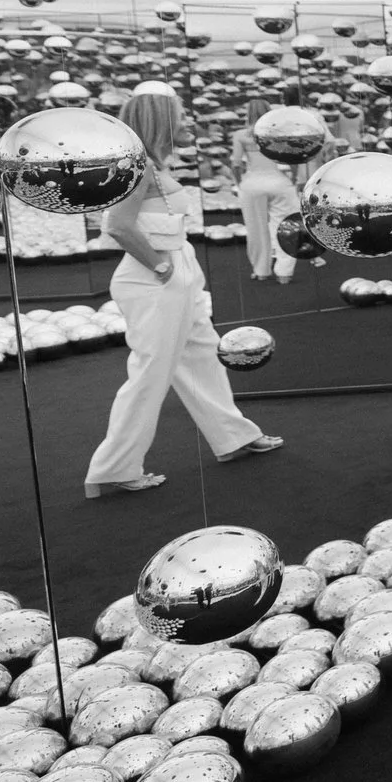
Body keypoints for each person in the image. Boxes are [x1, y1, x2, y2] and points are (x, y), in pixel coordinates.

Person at [85, 85, 281, 497]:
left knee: (202, 354)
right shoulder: (137, 165)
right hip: (155, 275)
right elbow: (118, 226)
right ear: (161, 118)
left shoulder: (150, 163)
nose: (185, 119)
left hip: (174, 268)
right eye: (177, 113)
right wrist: (159, 265)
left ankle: (233, 437)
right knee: (152, 371)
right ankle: (113, 467)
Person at [232, 99, 305, 283]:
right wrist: (293, 179)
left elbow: (236, 164)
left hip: (252, 183)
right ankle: (284, 273)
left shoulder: (240, 135)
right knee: (286, 226)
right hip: (278, 182)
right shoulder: (279, 134)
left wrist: (240, 183)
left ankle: (261, 270)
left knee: (255, 228)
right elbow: (292, 160)